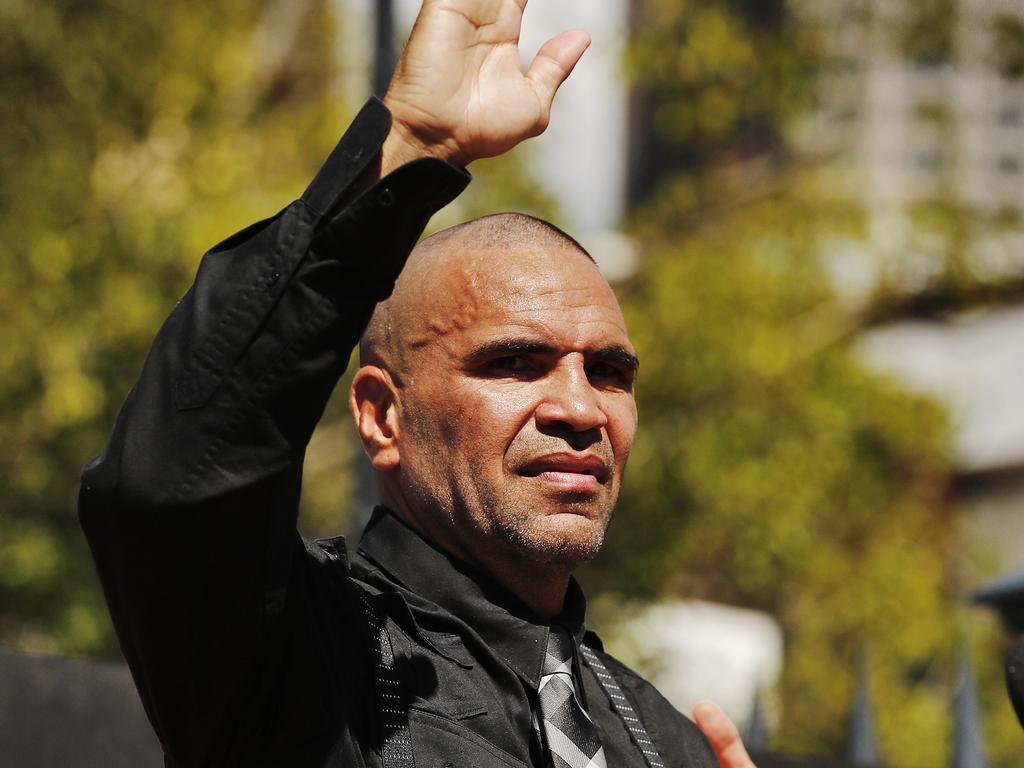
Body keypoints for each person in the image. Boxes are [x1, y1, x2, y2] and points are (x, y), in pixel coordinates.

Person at [80, 1, 757, 766]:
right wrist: (408, 148)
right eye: (514, 362)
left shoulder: (663, 740)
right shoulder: (298, 655)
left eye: (609, 372)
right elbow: (173, 481)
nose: (578, 407)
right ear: (380, 416)